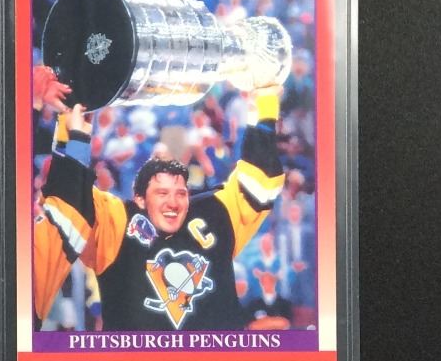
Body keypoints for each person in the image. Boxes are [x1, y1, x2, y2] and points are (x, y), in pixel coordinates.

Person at [33, 88, 285, 333]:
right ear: (139, 199)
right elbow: (68, 200)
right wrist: (70, 129)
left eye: (181, 193)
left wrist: (265, 101)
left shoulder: (215, 212)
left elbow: (261, 182)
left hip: (215, 360)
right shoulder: (116, 220)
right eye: (162, 193)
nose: (173, 203)